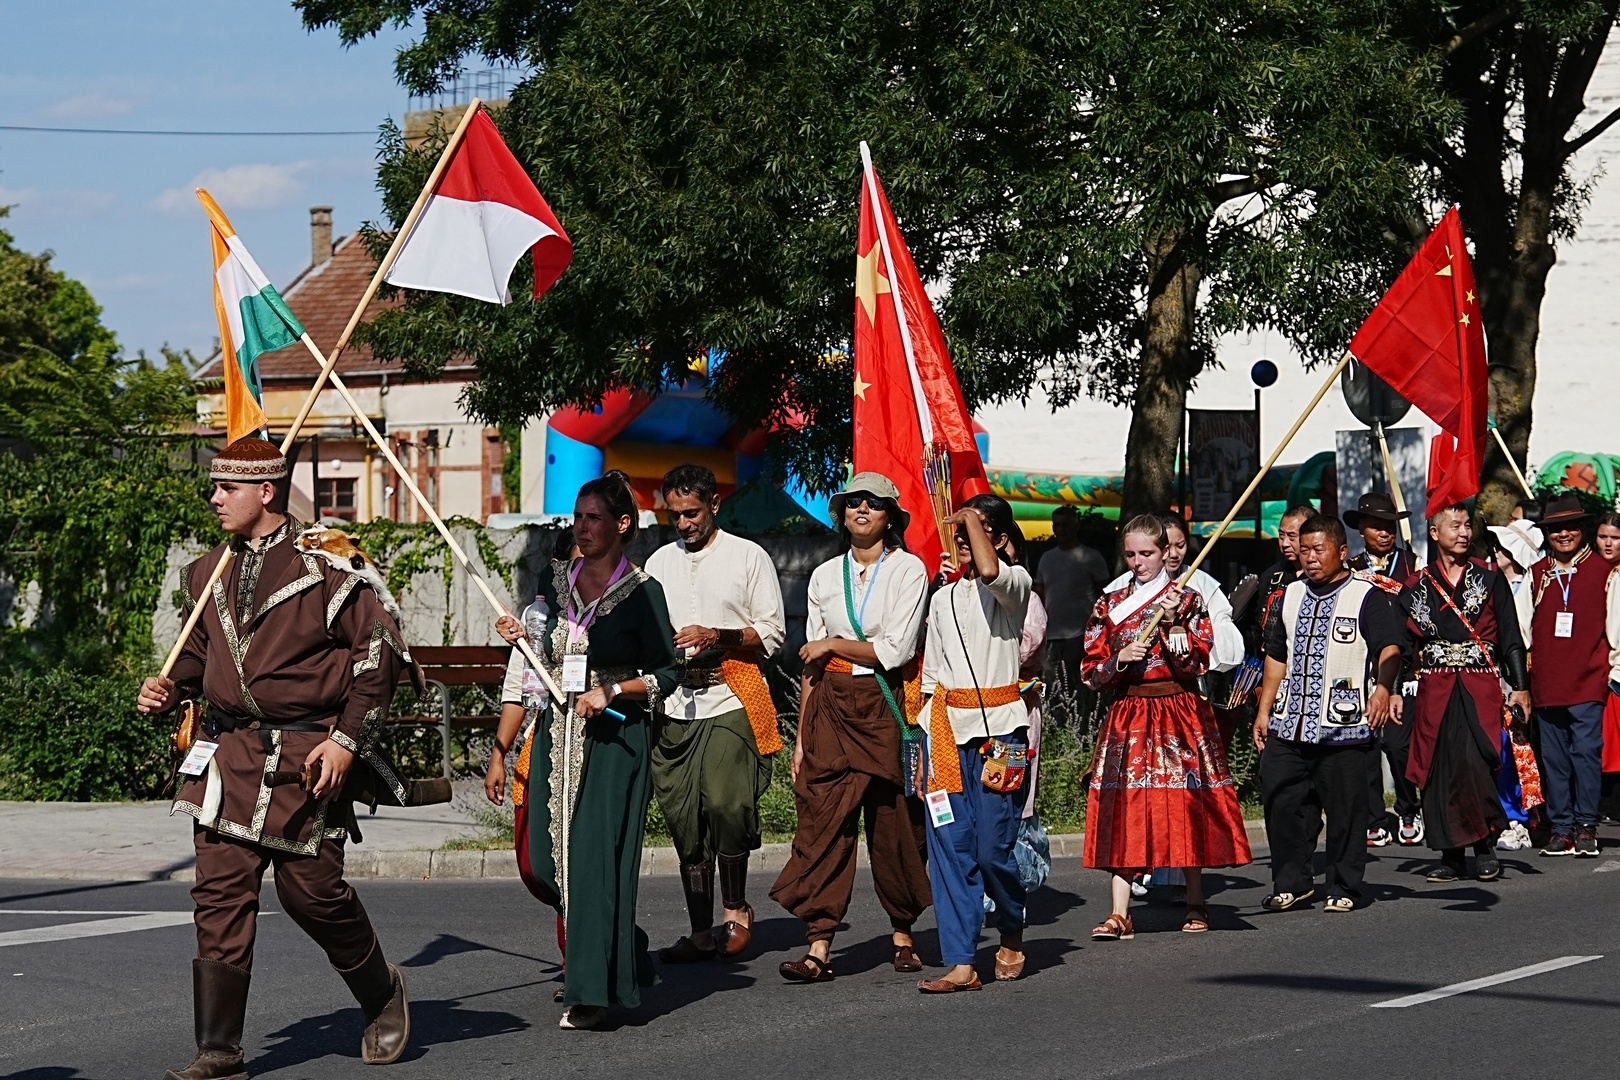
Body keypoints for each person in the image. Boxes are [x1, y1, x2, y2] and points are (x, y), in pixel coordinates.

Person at [136, 437, 412, 1078]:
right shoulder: (207, 573)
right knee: (219, 895)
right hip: (227, 756)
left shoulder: (329, 566)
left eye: (226, 488)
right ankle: (219, 1051)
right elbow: (197, 657)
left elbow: (378, 658)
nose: (214, 498)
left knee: (310, 894)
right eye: (215, 486)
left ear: (266, 492)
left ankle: (381, 991)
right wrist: (171, 688)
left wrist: (346, 741)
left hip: (307, 758)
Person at [492, 470, 679, 1030]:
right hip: (557, 732)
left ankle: (591, 993)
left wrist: (613, 690)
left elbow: (668, 672)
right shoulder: (555, 582)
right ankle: (621, 943)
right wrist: (522, 635)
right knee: (545, 863)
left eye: (594, 518)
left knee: (592, 861)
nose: (582, 526)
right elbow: (542, 659)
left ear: (622, 524)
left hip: (615, 736)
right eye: (577, 517)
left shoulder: (643, 592)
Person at [771, 472, 931, 982]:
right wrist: (801, 739)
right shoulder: (824, 575)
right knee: (823, 825)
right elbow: (811, 662)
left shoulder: (908, 569)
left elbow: (895, 651)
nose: (862, 508)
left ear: (891, 517)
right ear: (841, 514)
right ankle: (819, 945)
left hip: (884, 703)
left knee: (895, 823)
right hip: (831, 707)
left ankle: (903, 936)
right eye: (853, 501)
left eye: (874, 502)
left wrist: (833, 644)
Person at [1083, 515, 1252, 939]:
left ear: (1165, 553)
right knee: (1126, 806)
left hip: (1178, 710)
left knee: (1185, 804)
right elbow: (1089, 671)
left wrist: (1174, 623)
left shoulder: (1189, 599)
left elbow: (1197, 663)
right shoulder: (1110, 602)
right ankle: (1120, 912)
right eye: (1130, 554)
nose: (1138, 562)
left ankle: (1195, 901)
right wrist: (1117, 661)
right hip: (1129, 713)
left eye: (1146, 553)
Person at [644, 464, 787, 961]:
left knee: (727, 804)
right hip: (675, 702)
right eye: (675, 515)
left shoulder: (748, 556)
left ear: (714, 505)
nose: (684, 523)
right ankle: (700, 930)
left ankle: (735, 910)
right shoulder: (659, 562)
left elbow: (771, 634)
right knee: (683, 817)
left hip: (731, 693)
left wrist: (716, 636)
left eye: (692, 513)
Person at [1252, 514, 1407, 913]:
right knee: (1282, 804)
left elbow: (1389, 648)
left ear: (1341, 551)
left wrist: (1383, 689)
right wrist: (1264, 710)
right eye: (1304, 550)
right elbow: (1276, 656)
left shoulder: (1366, 595)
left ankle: (1344, 885)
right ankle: (1292, 882)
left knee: (1346, 812)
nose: (1310, 558)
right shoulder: (1289, 595)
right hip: (1289, 724)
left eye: (1318, 550)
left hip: (1343, 727)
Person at [913, 494, 1031, 993]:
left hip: (1001, 734)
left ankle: (1011, 927)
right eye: (959, 530)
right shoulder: (942, 598)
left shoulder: (1015, 582)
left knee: (990, 850)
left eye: (976, 529)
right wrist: (921, 751)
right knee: (950, 847)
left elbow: (989, 571)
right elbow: (930, 680)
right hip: (945, 734)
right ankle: (961, 961)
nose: (962, 537)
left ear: (1000, 539)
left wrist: (967, 518)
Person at [1400, 504, 1530, 882]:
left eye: (1467, 525)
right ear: (1435, 532)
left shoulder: (1489, 578)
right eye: (1455, 525)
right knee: (1439, 768)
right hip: (1434, 690)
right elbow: (1400, 645)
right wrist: (1390, 688)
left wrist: (1520, 687)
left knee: (1475, 763)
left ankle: (1484, 846)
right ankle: (1451, 855)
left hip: (1478, 687)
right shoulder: (1417, 585)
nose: (1463, 532)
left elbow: (1511, 637)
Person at [1529, 493, 1609, 857]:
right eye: (1555, 529)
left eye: (1570, 527)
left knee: (1586, 755)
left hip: (1590, 678)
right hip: (1547, 681)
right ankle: (1561, 828)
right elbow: (1522, 629)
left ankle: (1586, 825)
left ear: (1582, 529)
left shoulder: (1605, 571)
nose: (1563, 534)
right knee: (1555, 760)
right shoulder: (1537, 573)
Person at [1343, 491, 1422, 849]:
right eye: (1376, 526)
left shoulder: (1413, 563)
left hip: (1405, 671)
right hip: (1362, 670)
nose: (1384, 533)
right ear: (1361, 529)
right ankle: (1374, 818)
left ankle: (1409, 809)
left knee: (1398, 744)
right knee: (1365, 747)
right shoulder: (1349, 570)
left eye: (1389, 525)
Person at [1488, 519, 1546, 851]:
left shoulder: (1530, 587)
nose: (1494, 552)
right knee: (1498, 746)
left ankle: (1519, 817)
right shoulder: (1490, 585)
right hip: (1493, 673)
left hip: (1520, 677)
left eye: (1502, 547)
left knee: (1518, 748)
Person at [1034, 505, 1110, 719]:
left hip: (1080, 634)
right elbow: (1039, 594)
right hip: (1051, 633)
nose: (1061, 529)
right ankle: (1057, 724)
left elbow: (1104, 596)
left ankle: (1084, 722)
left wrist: (1098, 630)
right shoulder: (1047, 558)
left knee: (1079, 685)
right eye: (1057, 525)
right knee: (1052, 686)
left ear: (1076, 526)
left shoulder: (1091, 557)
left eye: (1065, 524)